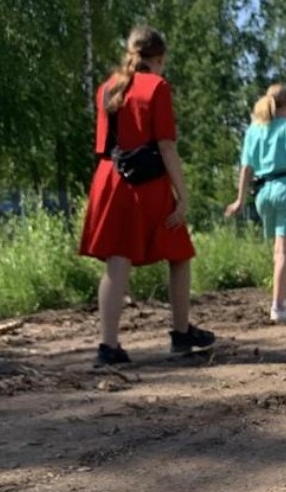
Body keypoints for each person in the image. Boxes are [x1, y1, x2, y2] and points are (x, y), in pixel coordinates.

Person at [80, 25, 214, 366]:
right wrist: (182, 195)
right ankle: (181, 332)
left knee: (117, 258)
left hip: (108, 178)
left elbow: (103, 144)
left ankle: (108, 345)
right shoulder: (157, 86)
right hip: (146, 184)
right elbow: (166, 145)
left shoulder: (107, 88)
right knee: (179, 252)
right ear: (159, 58)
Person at [225, 84, 286, 323]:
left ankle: (282, 298)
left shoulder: (254, 130)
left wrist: (240, 199)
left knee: (277, 251)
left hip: (262, 194)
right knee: (283, 253)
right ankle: (278, 306)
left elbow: (246, 167)